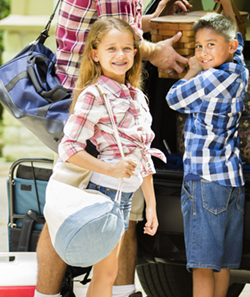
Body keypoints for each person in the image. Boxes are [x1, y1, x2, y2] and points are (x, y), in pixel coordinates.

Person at [36, 0, 188, 297]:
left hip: (108, 94)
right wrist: (157, 52)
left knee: (117, 210)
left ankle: (113, 292)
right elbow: (123, 35)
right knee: (69, 208)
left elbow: (117, 26)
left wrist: (154, 19)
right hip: (90, 97)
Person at [56, 17, 166, 297]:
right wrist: (111, 168)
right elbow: (69, 149)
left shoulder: (137, 96)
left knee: (110, 274)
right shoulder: (94, 95)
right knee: (105, 276)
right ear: (95, 53)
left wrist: (151, 205)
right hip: (105, 193)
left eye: (127, 48)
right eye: (112, 49)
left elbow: (143, 155)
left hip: (126, 197)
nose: (121, 55)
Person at [165, 0, 248, 297]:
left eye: (210, 46)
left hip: (204, 181)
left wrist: (191, 69)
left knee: (202, 264)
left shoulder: (207, 78)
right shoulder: (238, 70)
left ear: (227, 46)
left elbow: (173, 98)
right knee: (223, 263)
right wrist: (226, 0)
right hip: (231, 181)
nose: (203, 53)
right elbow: (236, 36)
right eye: (198, 47)